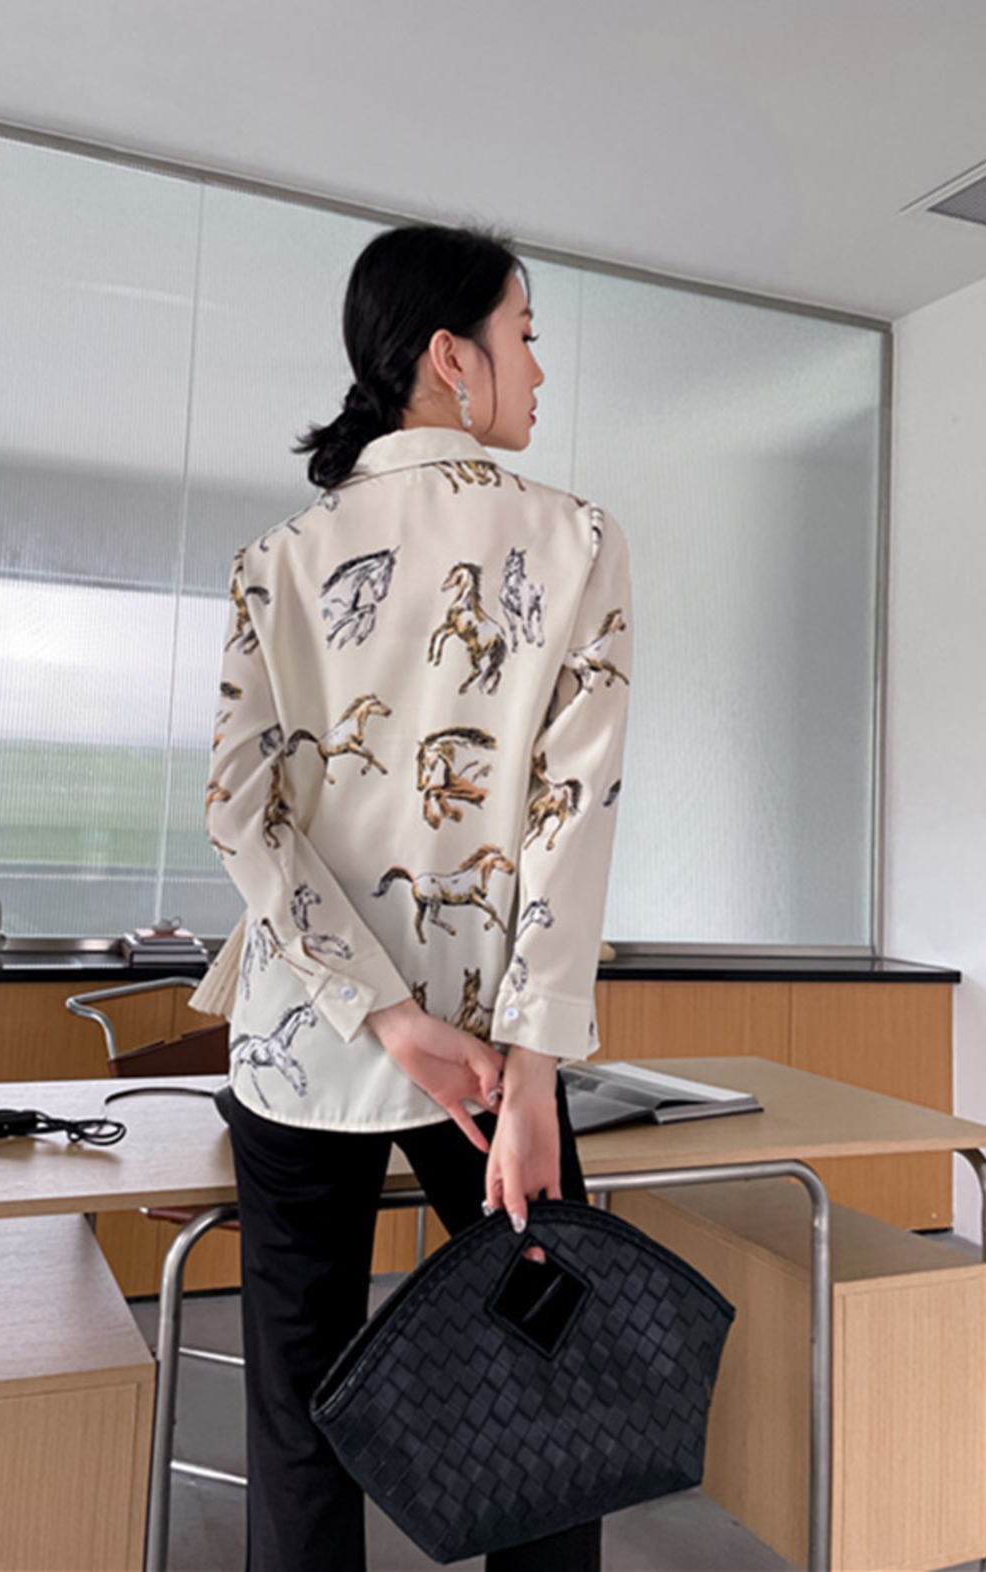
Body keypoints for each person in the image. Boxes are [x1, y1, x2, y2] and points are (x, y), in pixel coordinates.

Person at [206, 222, 631, 1572]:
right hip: (495, 1059)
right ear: (451, 357)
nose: (539, 371)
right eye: (525, 336)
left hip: (301, 1040)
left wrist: (380, 1014)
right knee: (550, 1383)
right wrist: (535, 1071)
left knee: (298, 1410)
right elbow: (570, 820)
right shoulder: (576, 539)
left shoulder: (279, 555)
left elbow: (240, 814)